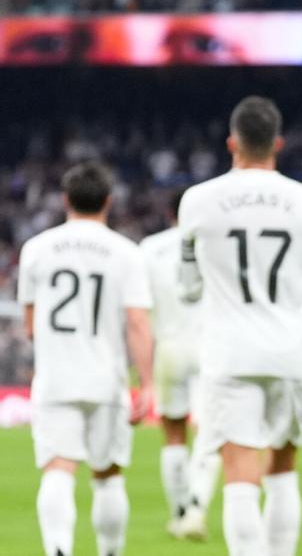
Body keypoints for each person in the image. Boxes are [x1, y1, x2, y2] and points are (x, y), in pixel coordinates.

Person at [179, 96, 302, 556]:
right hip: (290, 351)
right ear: (279, 144)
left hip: (229, 352)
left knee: (239, 474)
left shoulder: (198, 201)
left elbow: (188, 287)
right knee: (283, 468)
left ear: (232, 143)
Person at [19, 161, 155, 556]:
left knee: (58, 470)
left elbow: (30, 326)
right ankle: (110, 552)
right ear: (108, 201)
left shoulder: (36, 249)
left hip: (56, 379)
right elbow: (137, 322)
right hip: (105, 379)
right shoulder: (126, 253)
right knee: (108, 476)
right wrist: (146, 383)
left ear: (65, 200)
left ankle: (59, 549)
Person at [140, 191, 222, 540]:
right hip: (211, 347)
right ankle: (196, 508)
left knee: (173, 432)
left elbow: (139, 308)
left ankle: (178, 512)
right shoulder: (214, 245)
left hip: (168, 345)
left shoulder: (149, 248)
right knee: (210, 432)